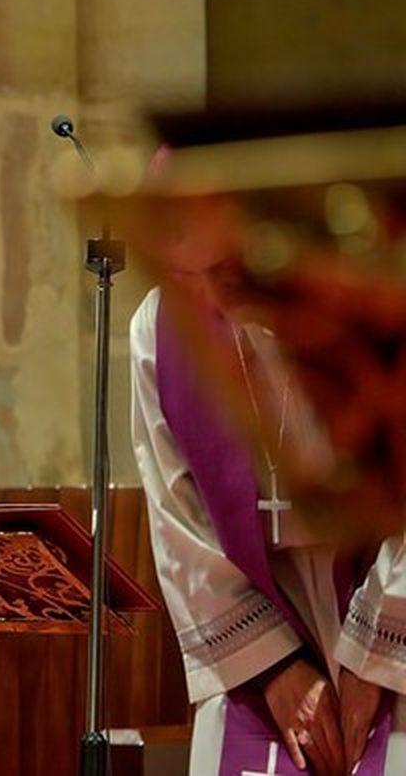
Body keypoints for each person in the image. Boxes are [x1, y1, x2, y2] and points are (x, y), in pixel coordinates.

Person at [131, 250, 406, 775]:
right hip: (262, 612)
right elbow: (178, 516)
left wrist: (374, 652)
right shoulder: (165, 327)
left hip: (386, 589)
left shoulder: (373, 294)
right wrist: (276, 668)